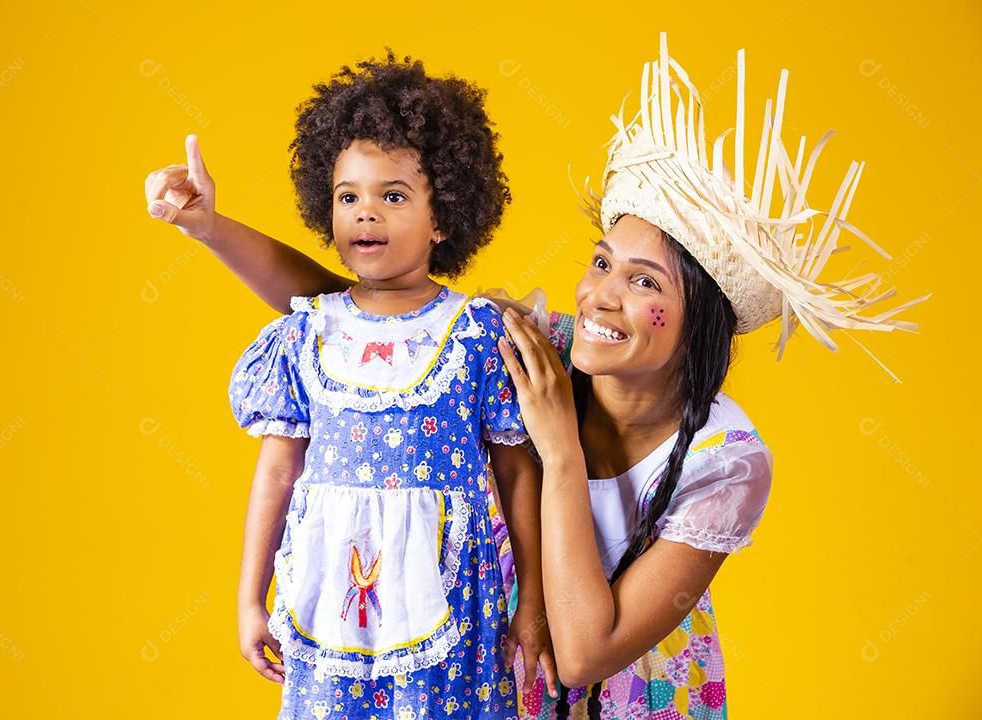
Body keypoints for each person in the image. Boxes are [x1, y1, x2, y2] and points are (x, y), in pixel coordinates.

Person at [145, 36, 926, 718]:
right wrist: (210, 228)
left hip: (637, 698)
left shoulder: (727, 462)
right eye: (601, 263)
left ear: (700, 321)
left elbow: (585, 654)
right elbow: (359, 312)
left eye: (644, 282)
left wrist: (558, 447)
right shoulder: (543, 350)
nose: (601, 297)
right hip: (501, 681)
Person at [147, 54, 557, 719]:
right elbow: (277, 471)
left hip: (452, 604)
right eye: (348, 197)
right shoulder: (305, 333)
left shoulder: (479, 333)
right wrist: (249, 599)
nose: (366, 213)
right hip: (329, 601)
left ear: (443, 218)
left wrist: (531, 602)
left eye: (392, 196)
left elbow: (516, 472)